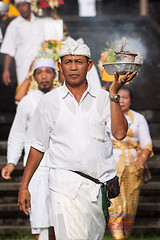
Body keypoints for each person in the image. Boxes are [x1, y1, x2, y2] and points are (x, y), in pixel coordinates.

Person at [18, 38, 136, 240]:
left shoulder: (103, 98)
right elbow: (37, 146)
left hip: (98, 188)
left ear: (89, 65)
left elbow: (119, 133)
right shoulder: (49, 102)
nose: (73, 67)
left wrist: (114, 94)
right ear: (60, 66)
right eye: (68, 62)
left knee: (93, 237)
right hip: (63, 186)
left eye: (79, 62)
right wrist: (24, 185)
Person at [1, 58, 56, 240]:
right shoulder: (27, 101)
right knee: (39, 217)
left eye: (48, 71)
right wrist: (11, 162)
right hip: (36, 169)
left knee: (59, 217)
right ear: (34, 77)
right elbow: (17, 134)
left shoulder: (63, 98)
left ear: (55, 74)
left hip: (60, 165)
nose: (44, 76)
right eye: (39, 72)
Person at [108, 86, 153, 240]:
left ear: (131, 100)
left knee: (130, 208)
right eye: (118, 97)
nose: (121, 101)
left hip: (134, 169)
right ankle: (118, 238)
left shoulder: (139, 118)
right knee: (114, 206)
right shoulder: (107, 116)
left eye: (125, 97)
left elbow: (146, 144)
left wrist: (142, 157)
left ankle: (124, 237)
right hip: (111, 169)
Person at [0, 0, 63, 87]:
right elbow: (8, 49)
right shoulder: (14, 25)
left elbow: (62, 27)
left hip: (43, 65)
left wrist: (50, 10)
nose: (22, 8)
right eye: (19, 6)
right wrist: (6, 71)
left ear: (30, 5)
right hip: (24, 66)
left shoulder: (42, 21)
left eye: (24, 5)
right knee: (24, 92)